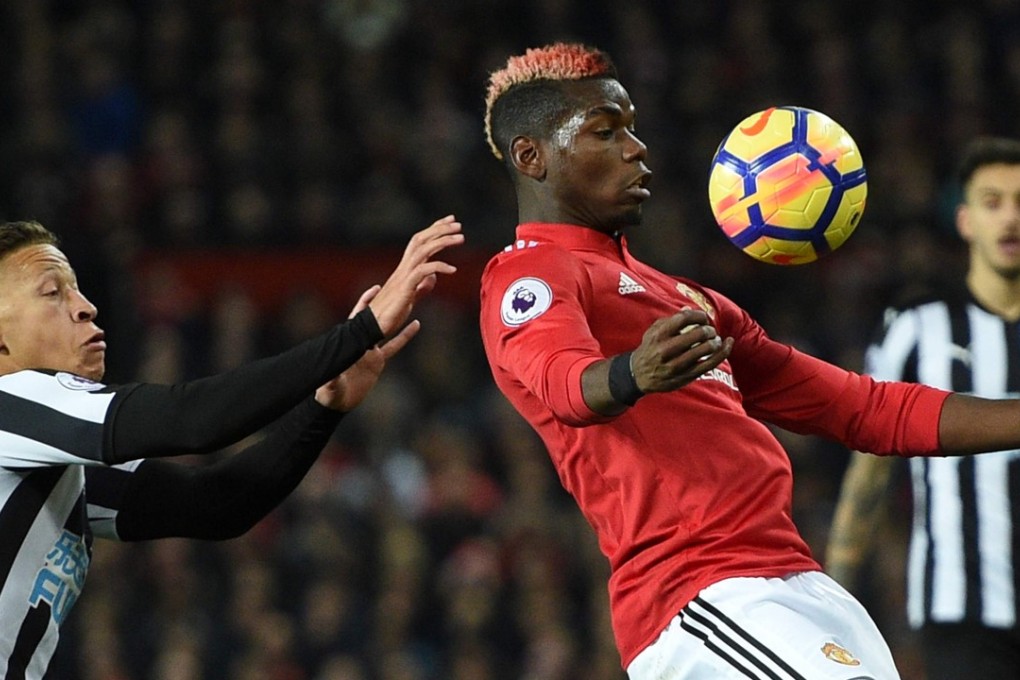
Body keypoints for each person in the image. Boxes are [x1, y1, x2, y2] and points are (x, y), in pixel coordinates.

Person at [478, 42, 1020, 680]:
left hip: (797, 586)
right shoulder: (530, 274)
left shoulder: (687, 300)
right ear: (531, 156)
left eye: (632, 127)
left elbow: (866, 409)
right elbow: (563, 384)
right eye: (606, 131)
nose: (636, 147)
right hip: (701, 594)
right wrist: (632, 373)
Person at [0, 216, 463, 679]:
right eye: (52, 292)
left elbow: (217, 504)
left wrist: (324, 406)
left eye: (77, 289)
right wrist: (360, 330)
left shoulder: (51, 461)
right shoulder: (9, 409)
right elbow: (193, 421)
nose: (86, 307)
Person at [826, 137, 1020, 679]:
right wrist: (835, 591)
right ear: (964, 220)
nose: (1010, 218)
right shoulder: (917, 327)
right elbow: (869, 469)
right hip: (962, 614)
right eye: (993, 201)